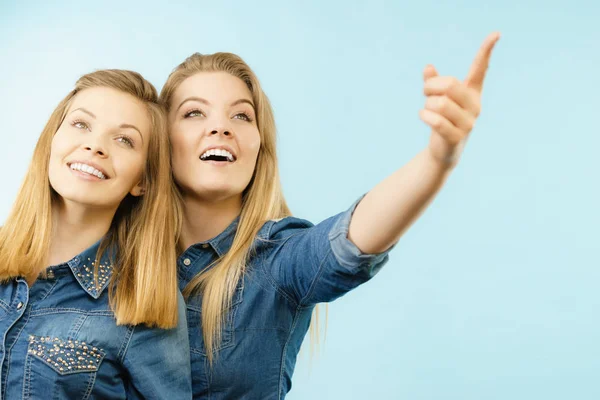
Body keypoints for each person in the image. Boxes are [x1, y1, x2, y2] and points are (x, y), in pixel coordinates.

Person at [160, 32, 500, 398]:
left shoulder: (277, 259)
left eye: (241, 115)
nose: (220, 127)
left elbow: (349, 240)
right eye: (194, 113)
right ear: (161, 140)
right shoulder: (119, 259)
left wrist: (437, 160)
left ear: (260, 146)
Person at [0, 69, 192, 399]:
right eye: (81, 124)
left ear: (142, 181)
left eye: (124, 140)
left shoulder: (141, 301)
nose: (95, 145)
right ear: (52, 140)